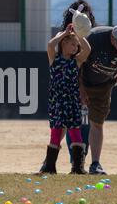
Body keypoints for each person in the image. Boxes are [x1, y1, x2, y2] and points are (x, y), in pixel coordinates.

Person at [80, 24, 117, 174]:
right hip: (82, 82)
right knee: (67, 122)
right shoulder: (94, 38)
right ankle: (51, 162)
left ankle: (95, 164)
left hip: (103, 86)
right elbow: (77, 63)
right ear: (112, 38)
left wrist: (114, 81)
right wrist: (80, 89)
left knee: (97, 124)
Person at [38, 23, 91, 174]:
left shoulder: (76, 61)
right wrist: (63, 33)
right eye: (72, 44)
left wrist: (79, 34)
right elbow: (50, 44)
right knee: (56, 131)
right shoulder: (54, 59)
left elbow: (87, 50)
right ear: (63, 43)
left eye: (77, 45)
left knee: (75, 131)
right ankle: (50, 167)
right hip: (57, 101)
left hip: (72, 101)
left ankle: (77, 167)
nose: (76, 47)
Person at [60, 0, 97, 163]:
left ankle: (81, 156)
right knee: (68, 125)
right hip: (70, 88)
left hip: (90, 87)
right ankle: (73, 158)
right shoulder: (64, 38)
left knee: (85, 123)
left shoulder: (93, 36)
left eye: (86, 15)